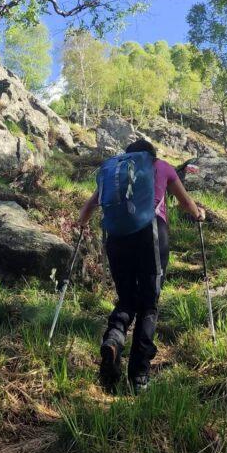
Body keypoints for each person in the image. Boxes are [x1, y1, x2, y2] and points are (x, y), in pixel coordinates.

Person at [78, 139, 206, 393]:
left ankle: (113, 339)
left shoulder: (115, 173)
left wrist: (82, 223)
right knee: (148, 303)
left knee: (126, 299)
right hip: (152, 235)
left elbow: (90, 207)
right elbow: (185, 202)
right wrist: (198, 213)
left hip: (116, 237)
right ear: (151, 155)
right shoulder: (162, 167)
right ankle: (139, 376)